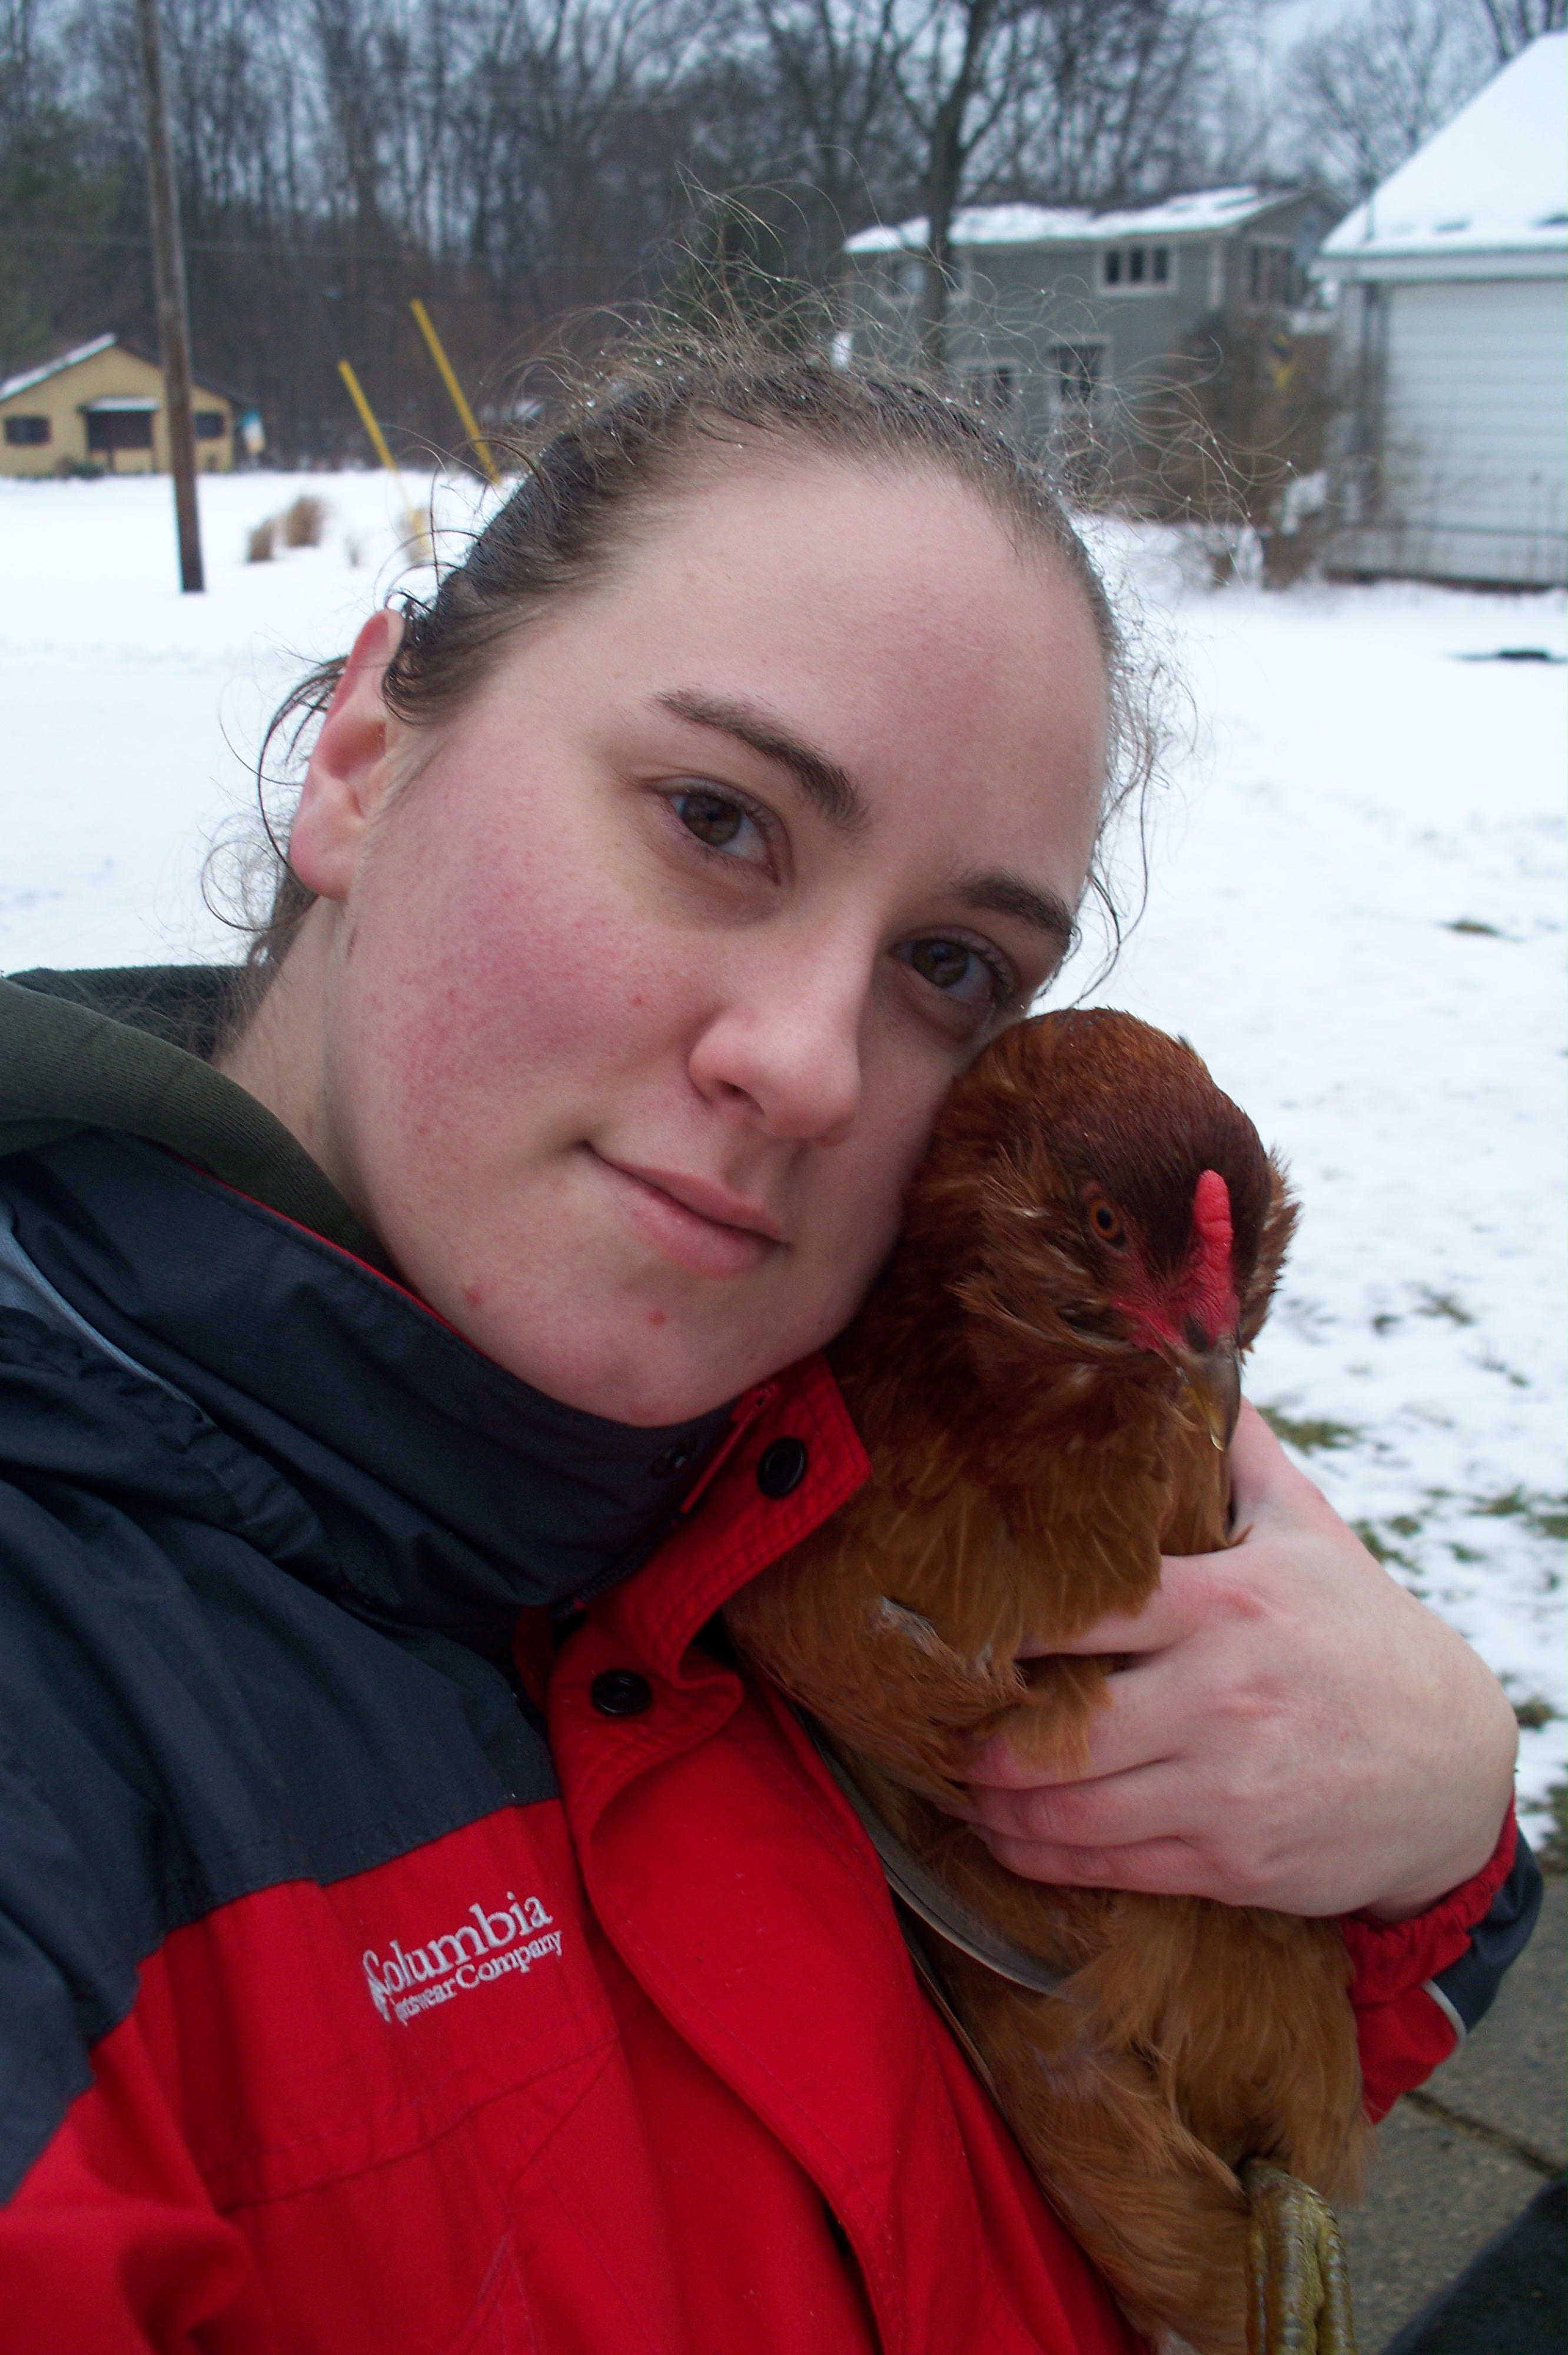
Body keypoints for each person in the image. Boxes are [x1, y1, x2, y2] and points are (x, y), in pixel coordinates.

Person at [0, 337, 1536, 2355]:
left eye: (950, 965)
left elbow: (1110, 2124)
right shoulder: (57, 1708)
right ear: (364, 757)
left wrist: (1426, 1848)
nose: (810, 1065)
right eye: (718, 819)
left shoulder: (829, 1464)